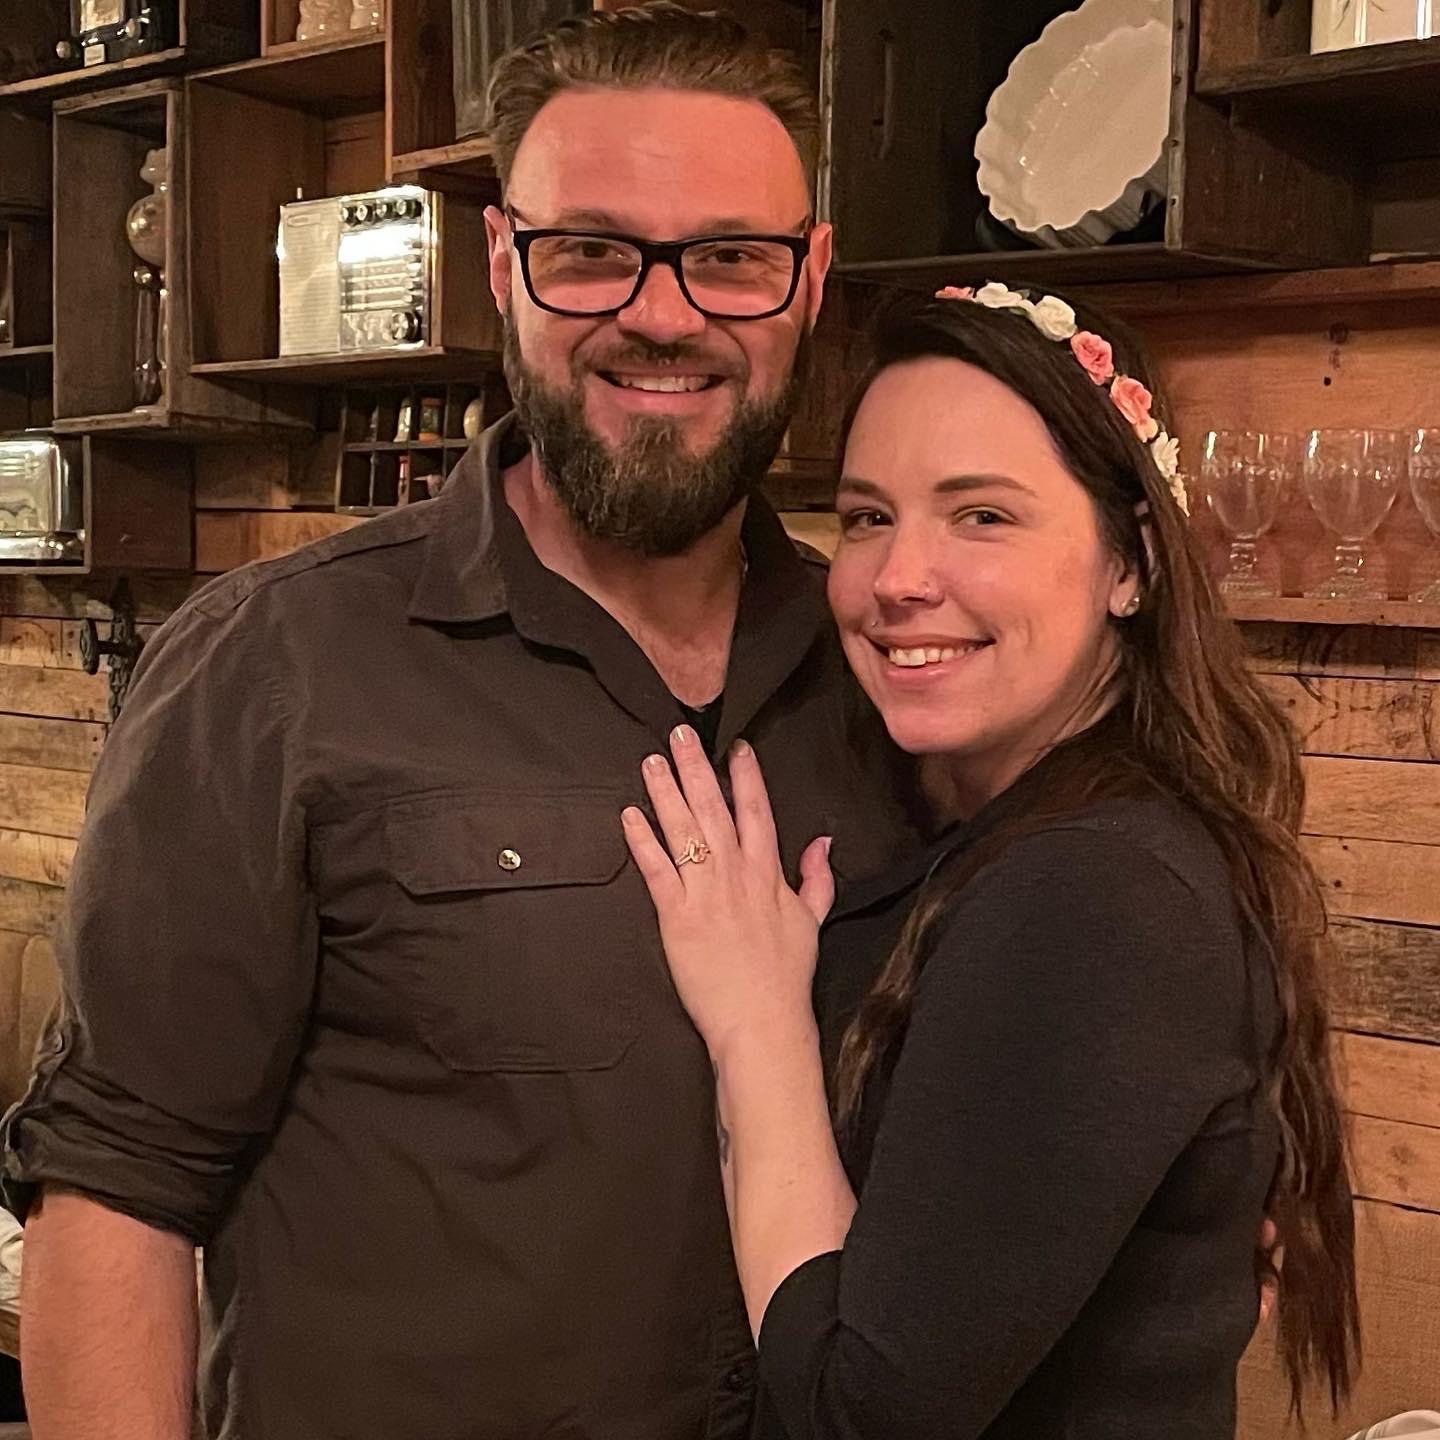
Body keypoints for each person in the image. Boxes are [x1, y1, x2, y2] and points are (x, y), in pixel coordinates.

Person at [0, 8, 920, 1437]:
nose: (664, 314)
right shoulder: (272, 667)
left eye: (731, 257)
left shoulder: (889, 683)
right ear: (502, 265)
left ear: (807, 281)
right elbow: (119, 1190)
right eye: (592, 251)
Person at [624, 284, 1360, 1437]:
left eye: (982, 516)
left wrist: (756, 1026)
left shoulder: (1094, 893)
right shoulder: (1030, 831)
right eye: (868, 517)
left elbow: (862, 1415)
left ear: (1131, 562)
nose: (899, 576)